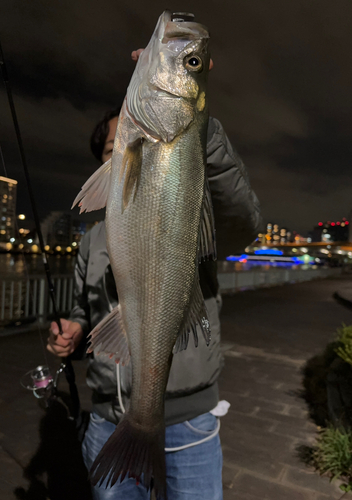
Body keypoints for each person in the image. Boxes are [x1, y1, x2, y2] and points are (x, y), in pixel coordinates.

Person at [47, 49, 262, 500]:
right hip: (109, 419)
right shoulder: (92, 241)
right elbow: (83, 307)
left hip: (190, 422)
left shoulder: (192, 211)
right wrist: (74, 328)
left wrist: (196, 124)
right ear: (107, 164)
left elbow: (243, 223)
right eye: (112, 150)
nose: (127, 149)